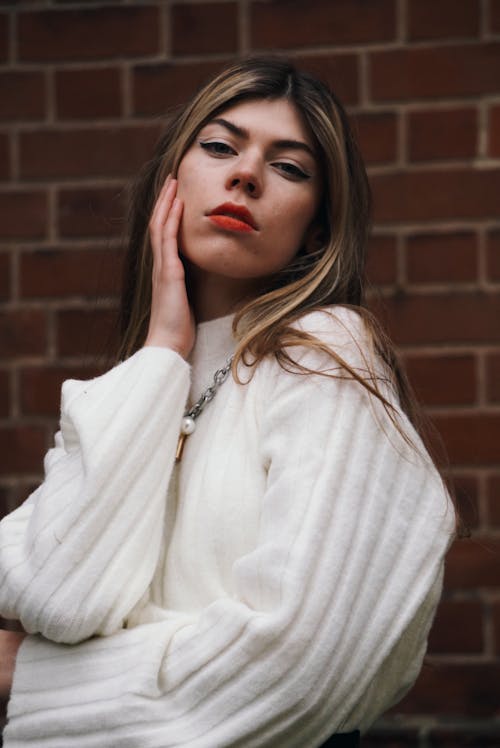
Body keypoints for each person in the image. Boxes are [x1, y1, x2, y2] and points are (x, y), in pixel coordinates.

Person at [0, 56, 455, 747]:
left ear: (317, 230)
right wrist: (161, 350)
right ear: (171, 181)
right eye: (219, 146)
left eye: (291, 168)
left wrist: (38, 681)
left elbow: (301, 662)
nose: (245, 175)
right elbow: (59, 595)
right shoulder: (138, 384)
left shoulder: (328, 357)